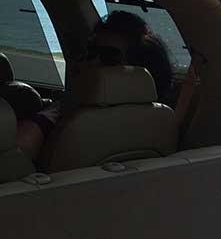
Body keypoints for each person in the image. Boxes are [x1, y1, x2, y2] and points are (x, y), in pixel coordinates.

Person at [17, 10, 173, 160]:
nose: (92, 62)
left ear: (138, 69)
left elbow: (17, 153)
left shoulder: (68, 118)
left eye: (109, 57)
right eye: (91, 51)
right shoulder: (163, 122)